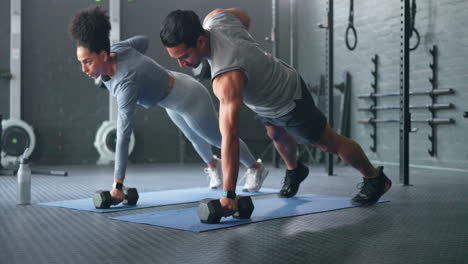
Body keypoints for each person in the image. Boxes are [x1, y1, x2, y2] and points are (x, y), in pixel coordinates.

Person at [160, 8, 392, 214]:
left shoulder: (227, 77)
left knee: (327, 142)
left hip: (288, 98)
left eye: (184, 57)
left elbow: (229, 137)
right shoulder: (216, 18)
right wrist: (251, 52)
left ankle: (375, 178)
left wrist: (229, 195)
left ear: (200, 41)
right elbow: (244, 17)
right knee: (277, 135)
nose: (181, 64)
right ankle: (296, 170)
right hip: (263, 100)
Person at [69, 7, 268, 205]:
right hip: (170, 102)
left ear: (103, 56)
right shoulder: (120, 49)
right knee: (193, 137)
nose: (84, 69)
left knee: (217, 138)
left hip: (190, 98)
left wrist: (118, 185)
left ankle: (256, 168)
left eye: (87, 62)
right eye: (81, 62)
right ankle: (213, 164)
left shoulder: (125, 85)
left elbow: (123, 136)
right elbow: (142, 41)